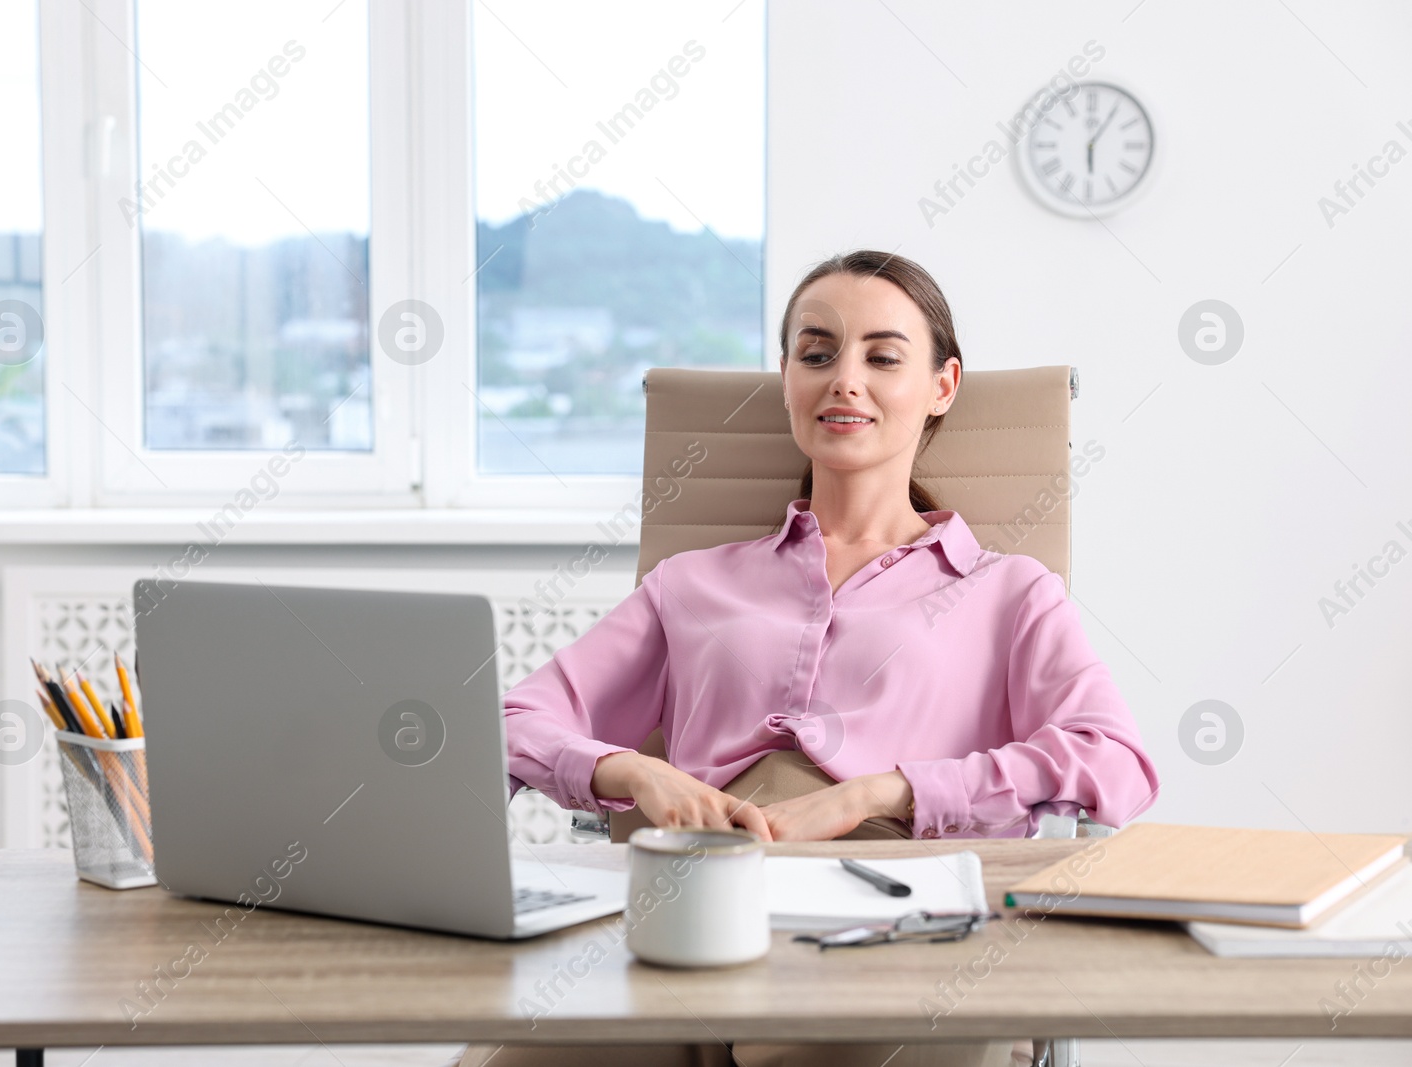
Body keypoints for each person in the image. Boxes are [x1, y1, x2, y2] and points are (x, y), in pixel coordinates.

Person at [457, 250, 1160, 1067]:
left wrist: (886, 789)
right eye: (817, 352)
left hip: (898, 919)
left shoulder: (1008, 591)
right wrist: (632, 772)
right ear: (787, 376)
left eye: (883, 356)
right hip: (692, 917)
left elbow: (1116, 760)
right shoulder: (692, 582)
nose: (844, 379)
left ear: (943, 385)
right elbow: (510, 721)